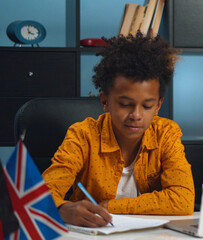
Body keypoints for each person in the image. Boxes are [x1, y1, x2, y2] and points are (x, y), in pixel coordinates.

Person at [42, 32, 195, 227]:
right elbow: (43, 194)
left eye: (147, 106)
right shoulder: (83, 135)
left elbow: (182, 199)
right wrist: (61, 209)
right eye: (125, 104)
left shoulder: (166, 133)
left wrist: (112, 207)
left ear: (158, 106)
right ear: (105, 101)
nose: (136, 115)